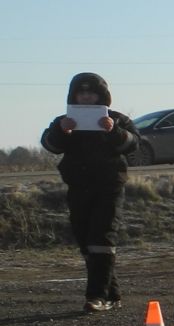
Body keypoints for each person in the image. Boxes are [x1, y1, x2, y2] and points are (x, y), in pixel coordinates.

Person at [41, 73, 140, 312]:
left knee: (102, 238)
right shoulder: (64, 121)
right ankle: (112, 294)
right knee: (85, 239)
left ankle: (97, 296)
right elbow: (50, 145)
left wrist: (113, 130)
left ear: (102, 96)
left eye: (91, 92)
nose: (86, 96)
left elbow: (134, 145)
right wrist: (62, 131)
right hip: (78, 187)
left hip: (109, 187)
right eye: (81, 92)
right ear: (73, 96)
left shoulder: (116, 119)